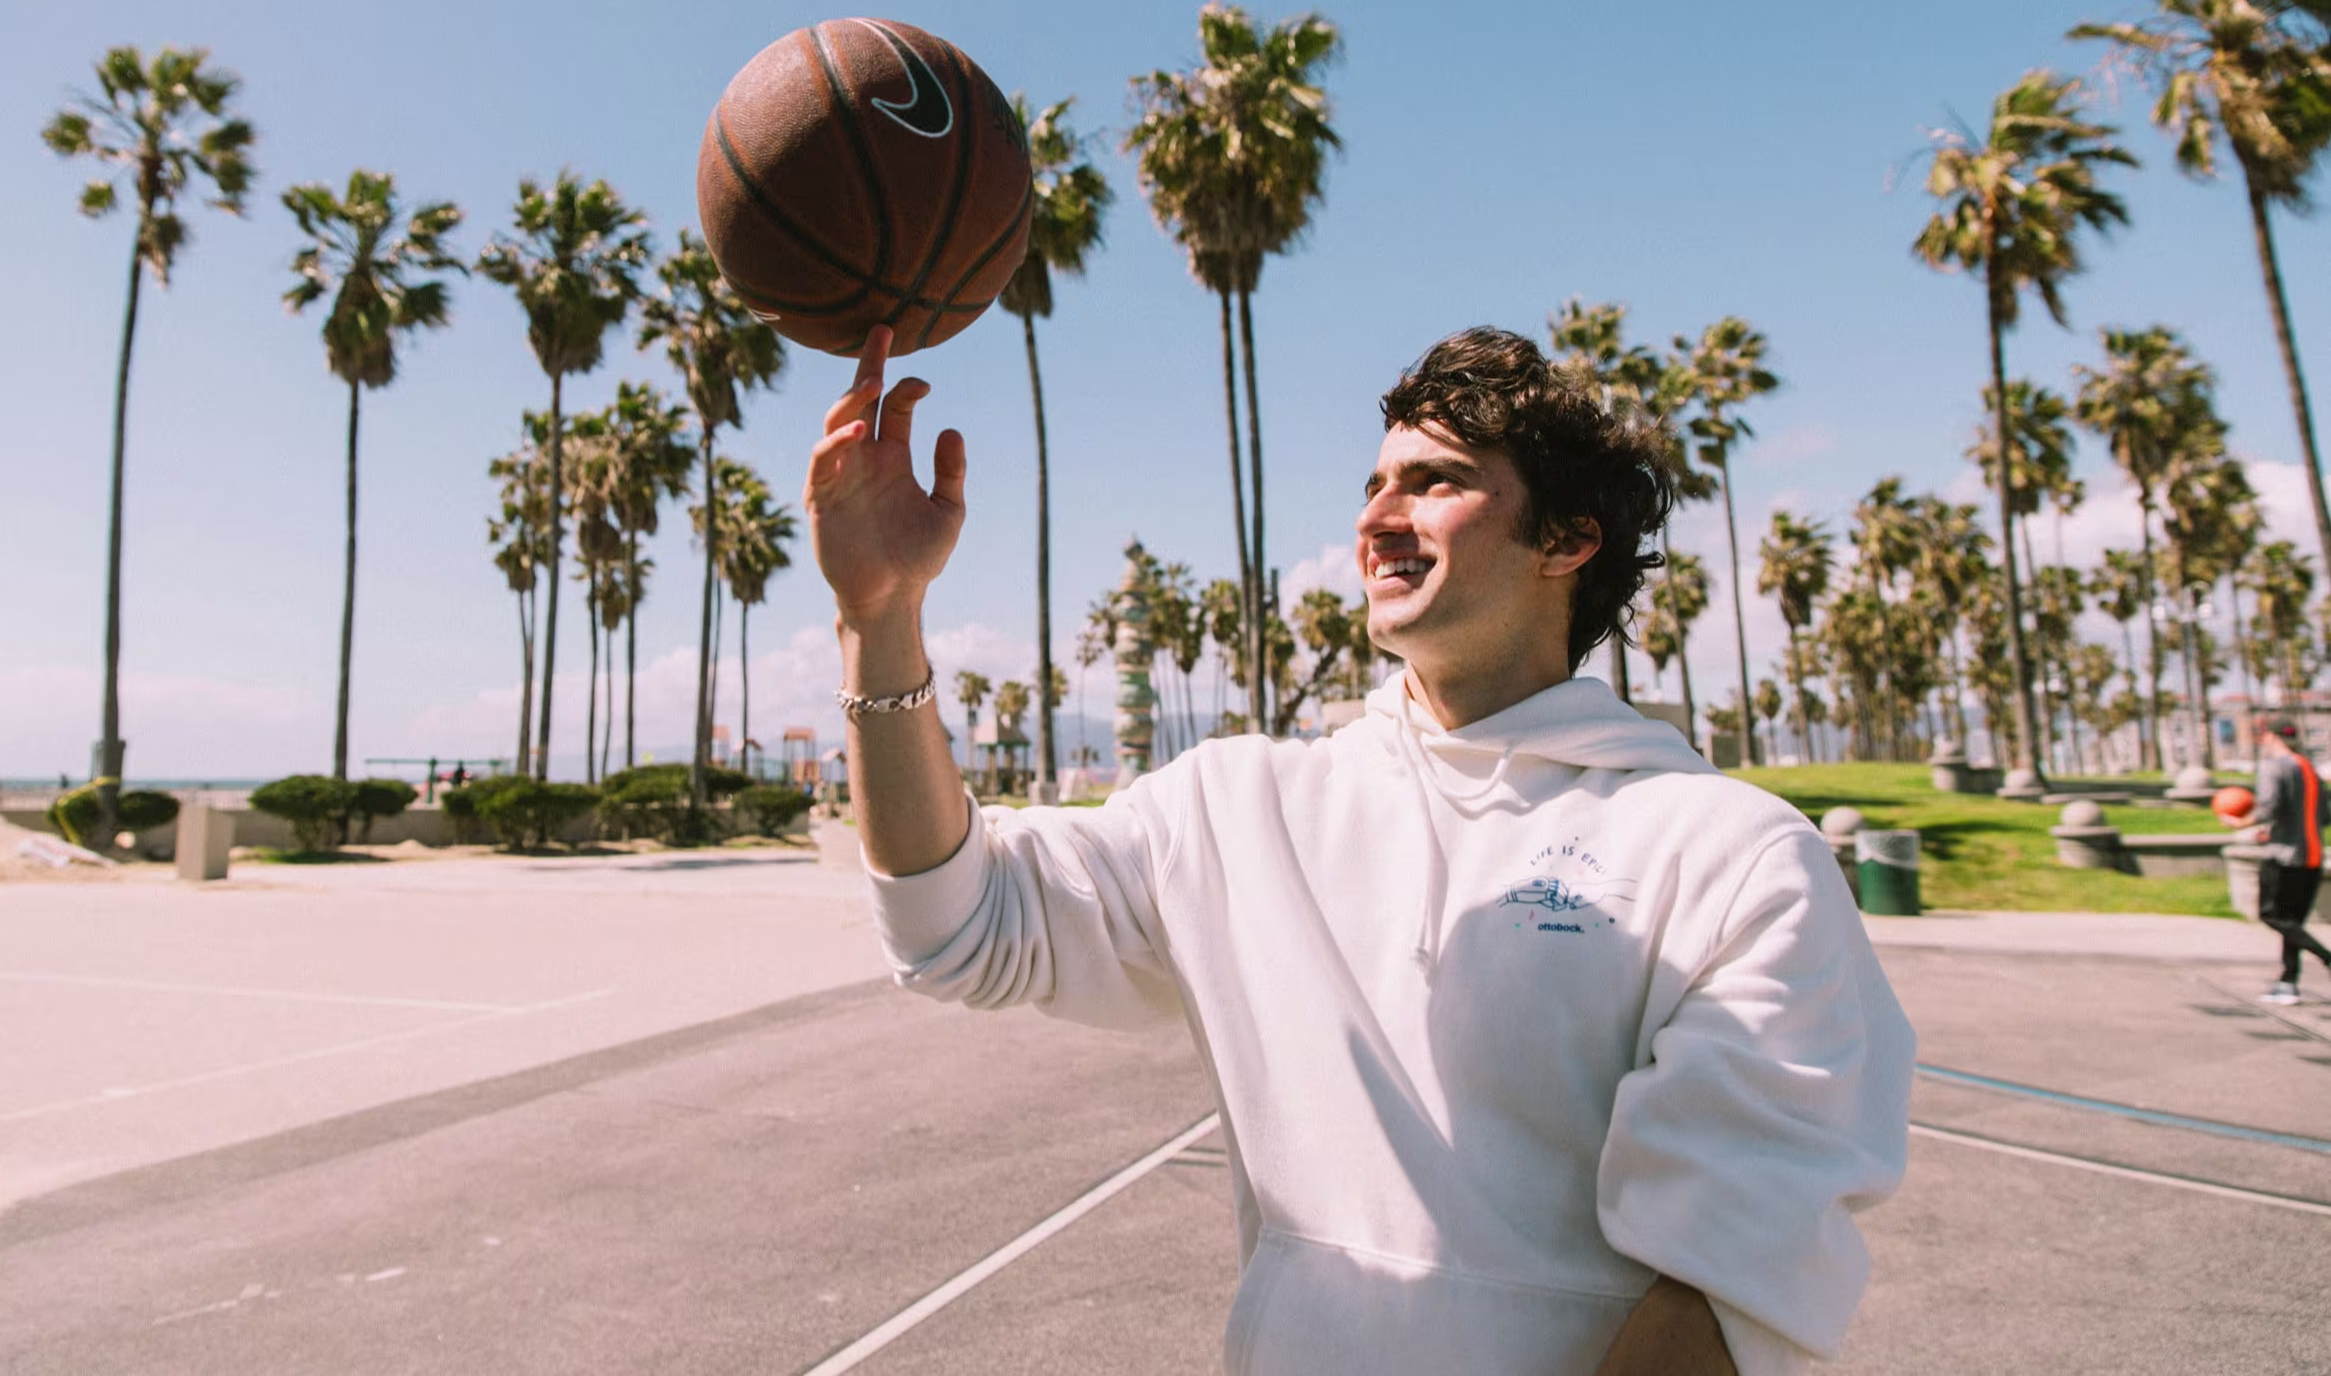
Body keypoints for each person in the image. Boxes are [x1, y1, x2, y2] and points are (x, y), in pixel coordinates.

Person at [806, 324, 1914, 1375]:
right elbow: (951, 925)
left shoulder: (1733, 856)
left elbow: (1722, 1284)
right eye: (1374, 484)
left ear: (1567, 540)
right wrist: (880, 614)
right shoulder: (1242, 806)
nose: (1381, 513)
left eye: (1436, 480)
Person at [2225, 714, 2329, 1005]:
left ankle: (2327, 958)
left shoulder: (2273, 767)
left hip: (2283, 858)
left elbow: (2268, 807)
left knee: (2271, 915)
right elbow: (2324, 816)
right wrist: (2276, 831)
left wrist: (2239, 824)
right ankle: (2288, 984)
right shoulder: (2311, 770)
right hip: (2312, 856)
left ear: (2270, 737)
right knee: (2293, 922)